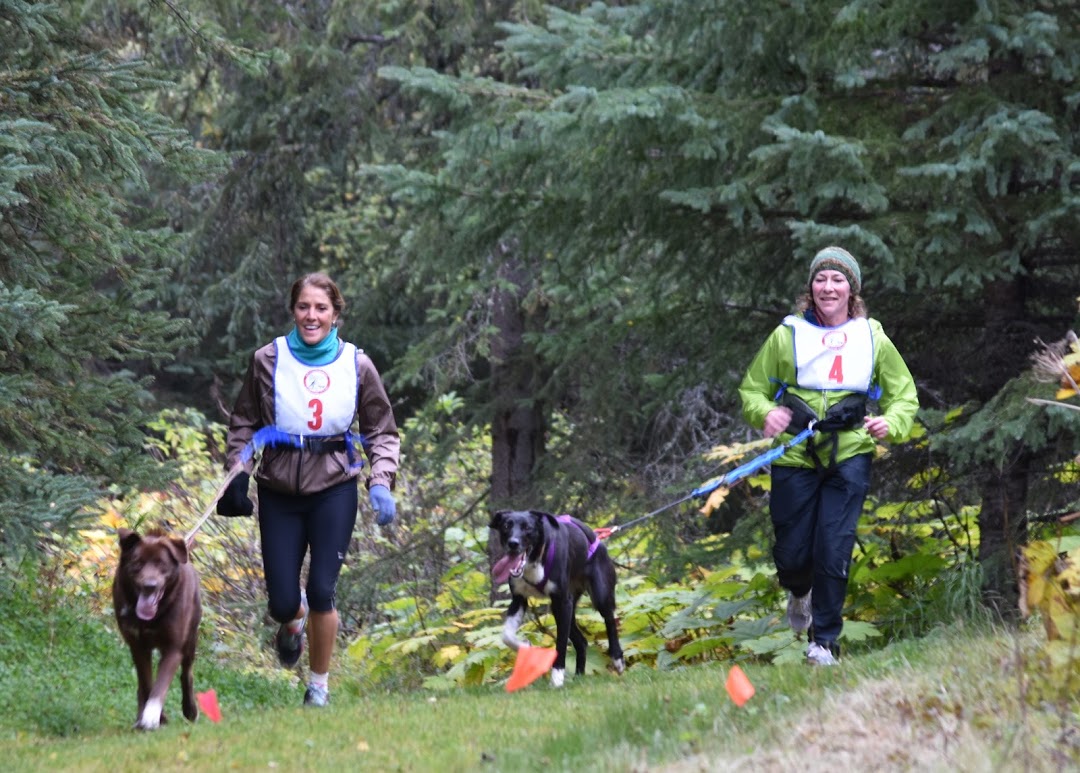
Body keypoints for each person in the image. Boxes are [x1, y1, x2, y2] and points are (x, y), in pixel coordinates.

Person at [216, 271, 400, 704]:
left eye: (321, 308)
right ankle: (291, 620)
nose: (311, 316)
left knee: (321, 590)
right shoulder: (267, 359)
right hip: (279, 488)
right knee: (282, 602)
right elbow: (244, 423)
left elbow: (382, 431)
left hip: (335, 486)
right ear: (293, 310)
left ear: (336, 314)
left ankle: (318, 686)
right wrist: (238, 474)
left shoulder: (357, 364)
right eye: (304, 307)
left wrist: (380, 481)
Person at [738, 246, 918, 666]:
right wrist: (768, 413)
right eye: (821, 279)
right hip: (796, 454)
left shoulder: (872, 337)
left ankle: (824, 644)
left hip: (850, 452)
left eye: (838, 280)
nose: (828, 287)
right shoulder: (787, 335)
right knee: (792, 556)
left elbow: (903, 395)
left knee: (833, 548)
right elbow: (753, 389)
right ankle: (799, 592)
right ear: (811, 287)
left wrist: (890, 423)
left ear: (851, 289)